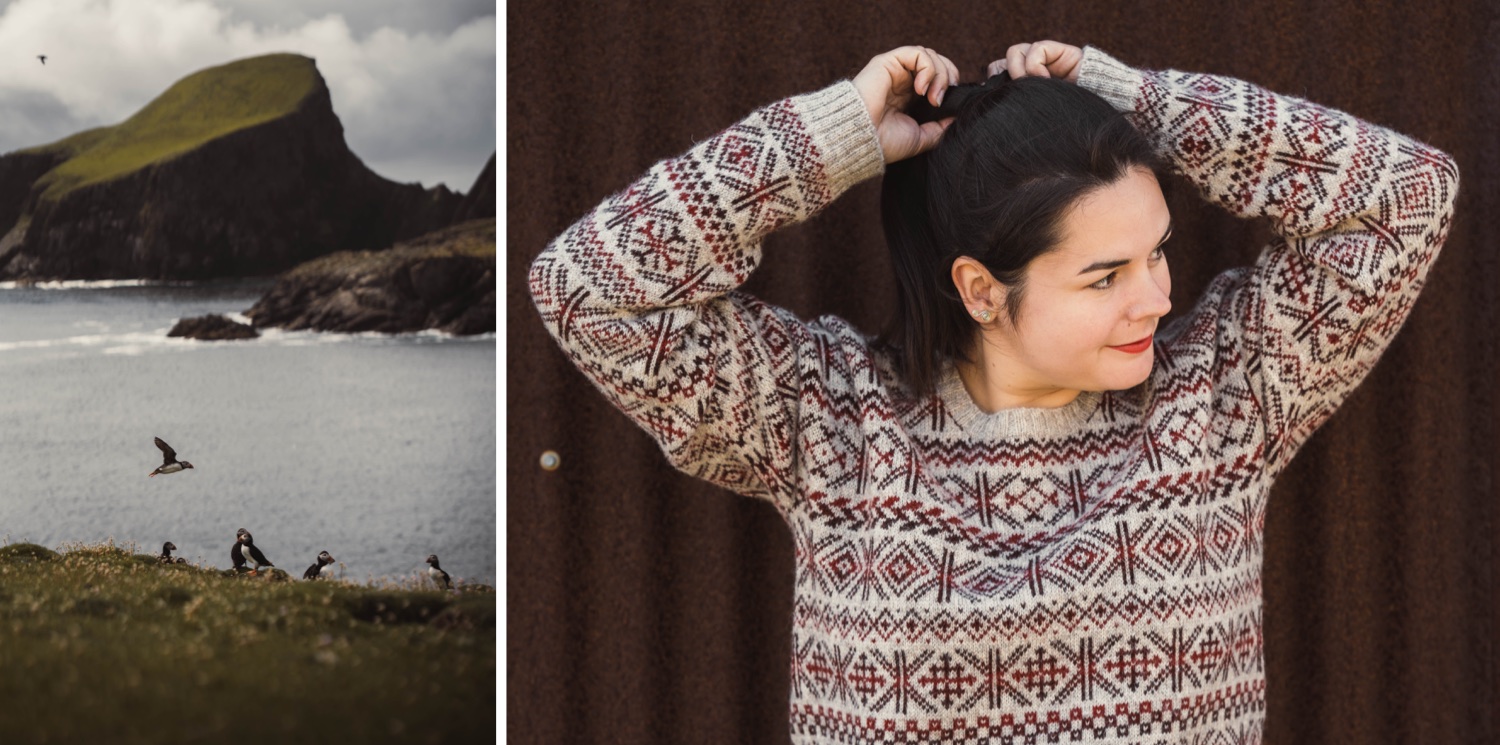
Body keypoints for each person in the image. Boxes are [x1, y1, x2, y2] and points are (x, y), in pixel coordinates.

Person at [529, 40, 1458, 744]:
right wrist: (838, 134)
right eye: (1105, 276)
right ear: (981, 289)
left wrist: (1138, 105)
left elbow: (1409, 195)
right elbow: (585, 288)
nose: (1158, 296)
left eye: (1159, 251)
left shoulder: (1225, 397)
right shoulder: (828, 420)